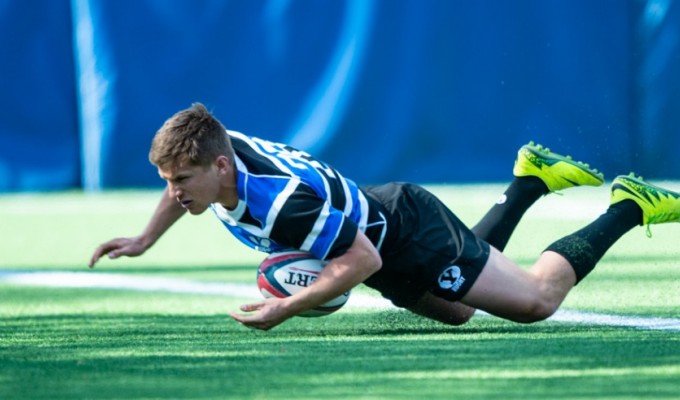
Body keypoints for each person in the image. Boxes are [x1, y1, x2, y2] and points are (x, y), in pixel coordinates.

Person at [89, 103, 680, 331]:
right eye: (167, 181)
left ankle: (630, 205)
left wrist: (287, 307)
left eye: (181, 182)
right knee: (458, 312)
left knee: (535, 302)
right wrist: (144, 239)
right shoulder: (214, 156)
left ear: (220, 167)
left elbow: (362, 259)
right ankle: (529, 181)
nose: (172, 191)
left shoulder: (283, 205)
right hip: (370, 226)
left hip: (400, 233)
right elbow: (182, 175)